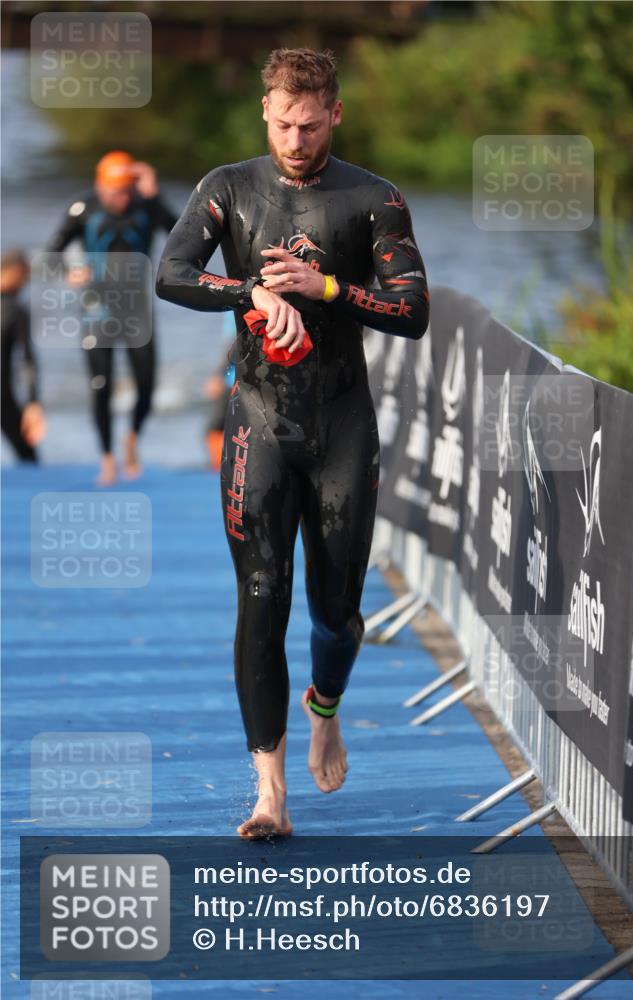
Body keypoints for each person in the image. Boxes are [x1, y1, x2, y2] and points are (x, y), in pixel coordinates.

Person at [156, 47, 429, 839]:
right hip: (259, 418)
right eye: (282, 124)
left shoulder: (373, 199)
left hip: (342, 423)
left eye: (310, 125)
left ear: (334, 115)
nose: (296, 140)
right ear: (264, 113)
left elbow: (412, 311)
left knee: (335, 610)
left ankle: (326, 709)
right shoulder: (228, 188)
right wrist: (251, 291)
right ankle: (269, 794)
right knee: (260, 597)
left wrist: (329, 290)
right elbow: (172, 274)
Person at [47, 151, 177, 485]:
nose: (119, 199)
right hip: (96, 309)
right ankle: (107, 458)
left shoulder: (148, 205)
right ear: (99, 186)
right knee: (100, 386)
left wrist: (156, 193)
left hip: (136, 310)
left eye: (124, 191)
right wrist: (70, 272)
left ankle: (132, 435)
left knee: (147, 385)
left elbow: (184, 237)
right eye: (111, 191)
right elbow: (52, 255)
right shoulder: (83, 208)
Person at [1, 250, 46, 462]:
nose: (25, 283)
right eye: (24, 276)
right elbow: (28, 360)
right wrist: (33, 402)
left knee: (28, 454)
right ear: (14, 272)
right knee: (28, 457)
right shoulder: (15, 311)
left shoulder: (15, 310)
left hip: (4, 398)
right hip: (3, 398)